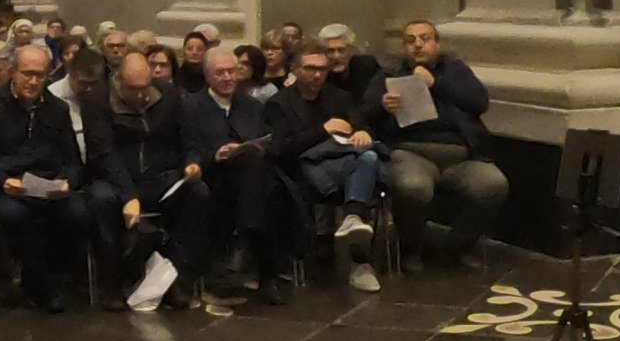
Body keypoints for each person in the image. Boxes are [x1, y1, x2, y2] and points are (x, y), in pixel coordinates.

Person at [362, 19, 509, 271]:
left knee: (493, 184)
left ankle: (457, 246)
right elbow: (364, 115)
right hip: (411, 152)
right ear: (404, 47)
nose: (418, 45)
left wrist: (435, 83)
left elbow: (479, 102)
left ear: (437, 44)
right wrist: (382, 107)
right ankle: (411, 249)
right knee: (413, 187)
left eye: (425, 39)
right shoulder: (388, 76)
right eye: (411, 41)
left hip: (462, 155)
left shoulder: (456, 71)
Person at [84, 52, 210, 310]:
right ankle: (112, 283)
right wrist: (128, 195)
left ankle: (178, 278)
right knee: (102, 200)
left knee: (197, 193)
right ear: (119, 80)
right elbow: (104, 152)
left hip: (159, 175)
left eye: (145, 87)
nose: (141, 95)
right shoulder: (97, 99)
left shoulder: (169, 95)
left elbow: (188, 137)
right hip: (114, 176)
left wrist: (192, 162)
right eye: (133, 89)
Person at [0, 44, 90, 313]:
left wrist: (68, 182)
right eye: (27, 74)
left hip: (48, 185)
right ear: (13, 72)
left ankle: (51, 277)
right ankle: (42, 285)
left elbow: (73, 160)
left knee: (78, 213)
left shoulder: (57, 109)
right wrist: (3, 180)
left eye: (40, 75)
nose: (34, 81)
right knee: (16, 215)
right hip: (8, 186)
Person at [184, 47, 291, 304]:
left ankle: (245, 244)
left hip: (251, 178)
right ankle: (262, 269)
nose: (228, 78)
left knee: (263, 178)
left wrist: (257, 147)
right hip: (213, 176)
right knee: (263, 189)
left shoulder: (251, 106)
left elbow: (270, 142)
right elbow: (187, 148)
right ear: (208, 76)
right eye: (221, 73)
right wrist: (215, 155)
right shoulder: (191, 107)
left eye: (232, 72)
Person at [274, 43, 384, 292]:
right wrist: (322, 130)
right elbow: (281, 150)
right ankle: (358, 250)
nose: (317, 75)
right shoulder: (280, 103)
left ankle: (353, 222)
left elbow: (361, 124)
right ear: (295, 69)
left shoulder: (338, 96)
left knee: (367, 158)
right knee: (367, 163)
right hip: (303, 168)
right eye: (310, 69)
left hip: (343, 163)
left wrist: (363, 132)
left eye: (322, 69)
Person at [320, 23, 381, 97]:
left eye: (341, 50)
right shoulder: (319, 75)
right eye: (330, 51)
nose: (336, 56)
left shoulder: (366, 67)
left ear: (350, 51)